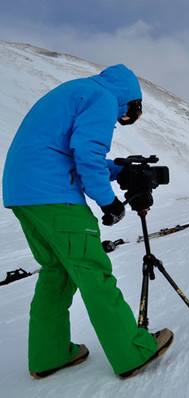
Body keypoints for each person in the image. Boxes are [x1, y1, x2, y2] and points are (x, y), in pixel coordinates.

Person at [2, 64, 173, 379]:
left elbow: (62, 152)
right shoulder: (104, 97)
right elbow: (86, 152)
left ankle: (49, 355)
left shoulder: (78, 91)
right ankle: (133, 352)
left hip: (23, 194)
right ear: (132, 103)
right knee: (94, 273)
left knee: (57, 272)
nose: (122, 120)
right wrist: (109, 202)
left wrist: (119, 171)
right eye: (126, 117)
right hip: (55, 197)